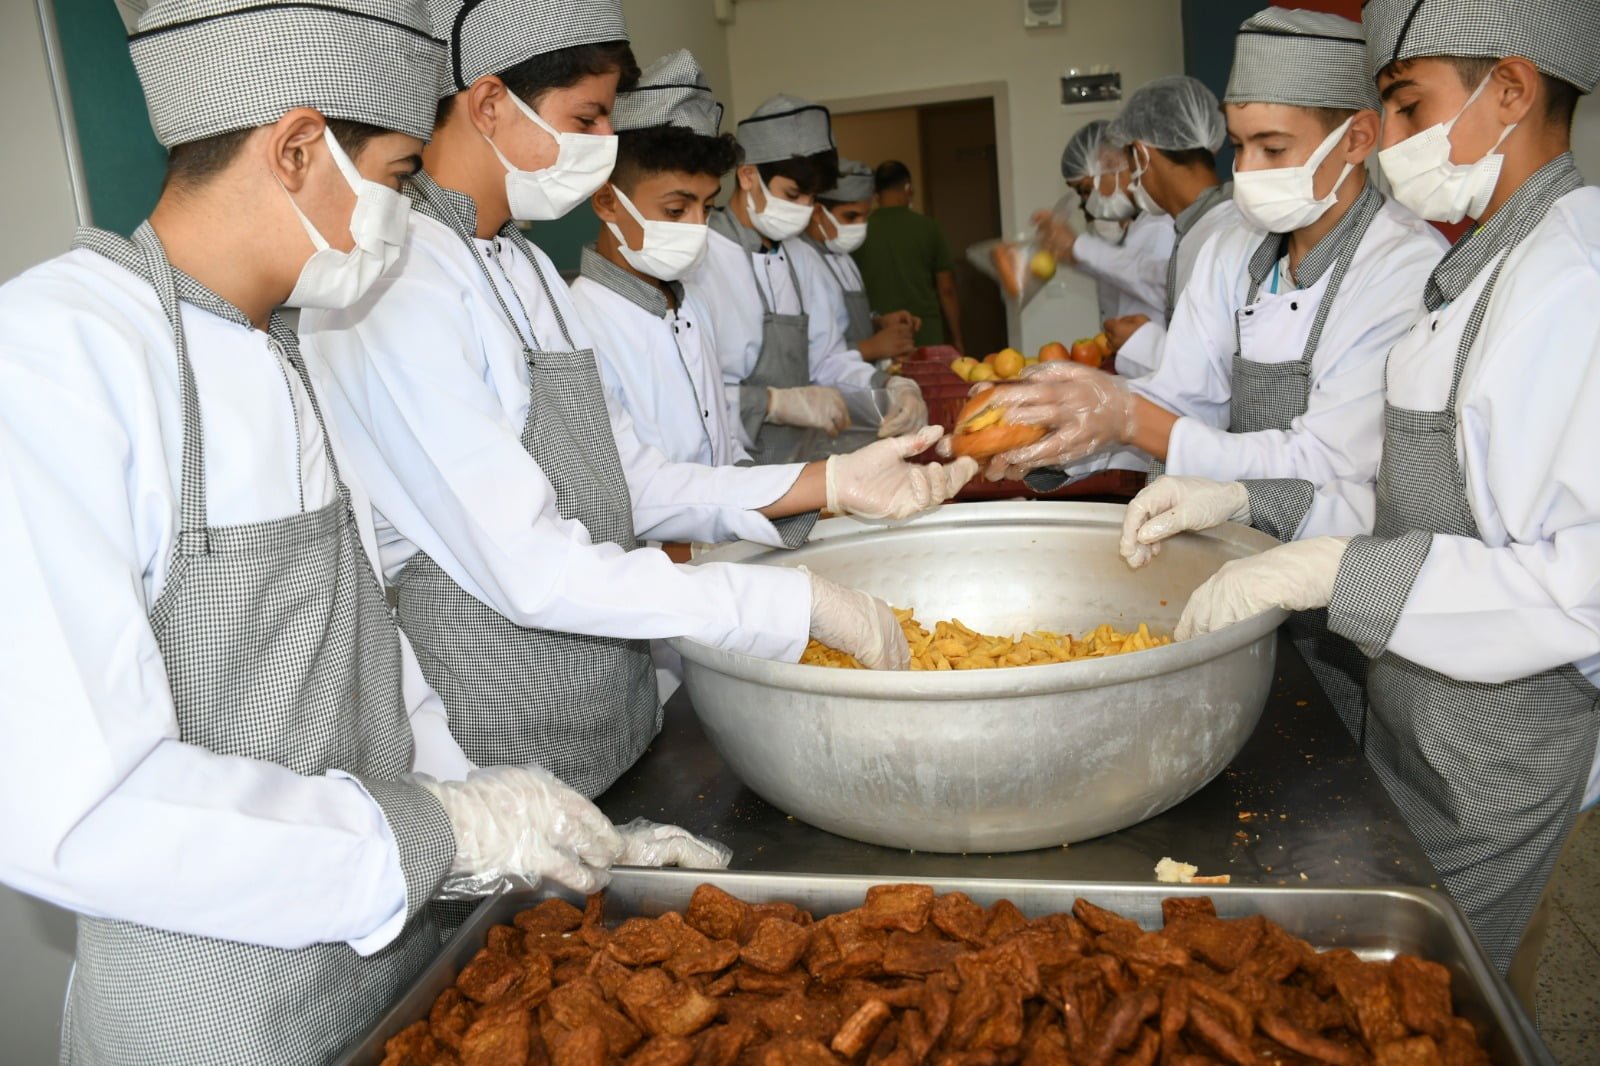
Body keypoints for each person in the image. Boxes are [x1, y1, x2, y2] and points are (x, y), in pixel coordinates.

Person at [0, 1, 719, 1060]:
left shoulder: (288, 343)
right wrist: (444, 830)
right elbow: (79, 810)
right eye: (392, 179)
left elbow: (364, 646)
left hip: (387, 970)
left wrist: (490, 802)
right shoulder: (57, 355)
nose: (403, 214)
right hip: (218, 1018)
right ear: (296, 150)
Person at [301, 3, 959, 802]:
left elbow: (630, 481)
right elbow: (529, 568)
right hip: (498, 734)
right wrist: (788, 600)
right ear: (487, 105)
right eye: (588, 116)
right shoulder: (396, 286)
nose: (604, 144)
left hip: (610, 712)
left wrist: (834, 483)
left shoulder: (526, 269)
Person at [1123, 0, 1600, 985]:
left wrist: (1331, 569)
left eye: (1408, 104)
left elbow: (1579, 587)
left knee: (1433, 1004)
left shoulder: (1571, 284)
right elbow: (1409, 502)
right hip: (1414, 718)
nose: (1395, 141)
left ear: (1510, 91)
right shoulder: (1486, 268)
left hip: (1498, 754)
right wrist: (1255, 506)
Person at [970, 9, 1447, 739]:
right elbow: (1178, 397)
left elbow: (1326, 467)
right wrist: (1059, 426)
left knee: (1334, 756)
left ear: (1356, 138)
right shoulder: (1234, 250)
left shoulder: (1403, 268)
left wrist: (1133, 419)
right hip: (1224, 564)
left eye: (1272, 146)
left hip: (1343, 597)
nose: (1246, 171)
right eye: (1240, 144)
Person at [689, 98, 928, 465]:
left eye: (812, 197)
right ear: (748, 175)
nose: (802, 208)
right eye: (792, 194)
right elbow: (690, 395)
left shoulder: (802, 259)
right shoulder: (700, 257)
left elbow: (827, 361)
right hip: (729, 467)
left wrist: (889, 387)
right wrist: (773, 403)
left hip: (800, 460)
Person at [1081, 76, 1242, 378]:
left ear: (1141, 155)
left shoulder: (1221, 238)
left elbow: (1222, 379)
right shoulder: (1197, 229)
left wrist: (1144, 344)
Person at [1046, 118, 1174, 334]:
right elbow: (1122, 272)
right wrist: (1073, 253)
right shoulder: (1139, 224)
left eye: (1086, 189)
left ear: (1111, 162)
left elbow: (1154, 281)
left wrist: (1077, 247)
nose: (1088, 203)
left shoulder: (1163, 224)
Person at [799, 159, 921, 366]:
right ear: (818, 213)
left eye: (866, 216)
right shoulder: (800, 261)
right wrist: (872, 347)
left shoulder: (843, 257)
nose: (860, 225)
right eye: (851, 216)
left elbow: (846, 322)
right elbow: (807, 355)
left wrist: (879, 323)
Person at [854, 160, 965, 353]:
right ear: (908, 188)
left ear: (875, 193)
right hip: (925, 332)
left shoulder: (859, 231)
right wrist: (957, 338)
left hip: (880, 336)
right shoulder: (929, 228)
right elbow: (946, 289)